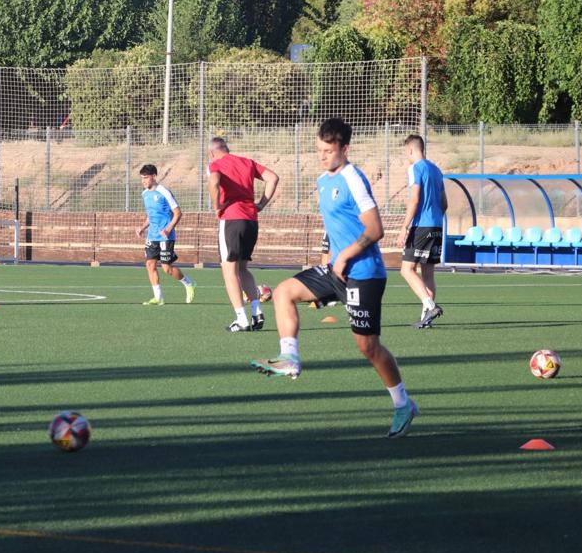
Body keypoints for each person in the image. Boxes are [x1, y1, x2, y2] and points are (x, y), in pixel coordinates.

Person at [250, 118, 417, 439]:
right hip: (335, 271)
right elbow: (334, 225)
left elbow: (375, 229)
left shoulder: (354, 179)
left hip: (364, 273)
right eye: (319, 150)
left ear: (344, 148)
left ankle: (403, 404)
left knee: (368, 348)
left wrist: (346, 255)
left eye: (328, 151)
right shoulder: (322, 182)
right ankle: (290, 358)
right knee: (284, 291)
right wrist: (328, 258)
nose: (322, 156)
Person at [206, 137, 279, 332]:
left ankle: (241, 319)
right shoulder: (247, 162)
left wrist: (216, 206)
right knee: (243, 269)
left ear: (211, 152)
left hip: (231, 219)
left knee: (229, 271)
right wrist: (261, 204)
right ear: (226, 149)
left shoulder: (216, 164)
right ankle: (256, 311)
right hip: (251, 220)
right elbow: (273, 178)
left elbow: (214, 182)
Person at [399, 134, 446, 328]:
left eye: (406, 152)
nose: (406, 156)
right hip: (437, 225)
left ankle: (429, 304)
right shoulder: (436, 170)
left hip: (421, 226)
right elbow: (444, 203)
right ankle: (426, 320)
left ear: (410, 149)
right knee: (428, 273)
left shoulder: (415, 168)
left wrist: (405, 226)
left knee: (406, 270)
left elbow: (415, 199)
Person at [138, 164, 195, 306]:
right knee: (150, 265)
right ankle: (158, 297)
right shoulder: (145, 194)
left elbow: (178, 213)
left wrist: (169, 229)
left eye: (146, 178)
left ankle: (188, 283)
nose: (143, 181)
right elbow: (151, 215)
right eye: (141, 178)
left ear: (154, 176)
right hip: (152, 236)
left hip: (165, 236)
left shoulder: (164, 192)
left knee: (167, 268)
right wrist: (142, 227)